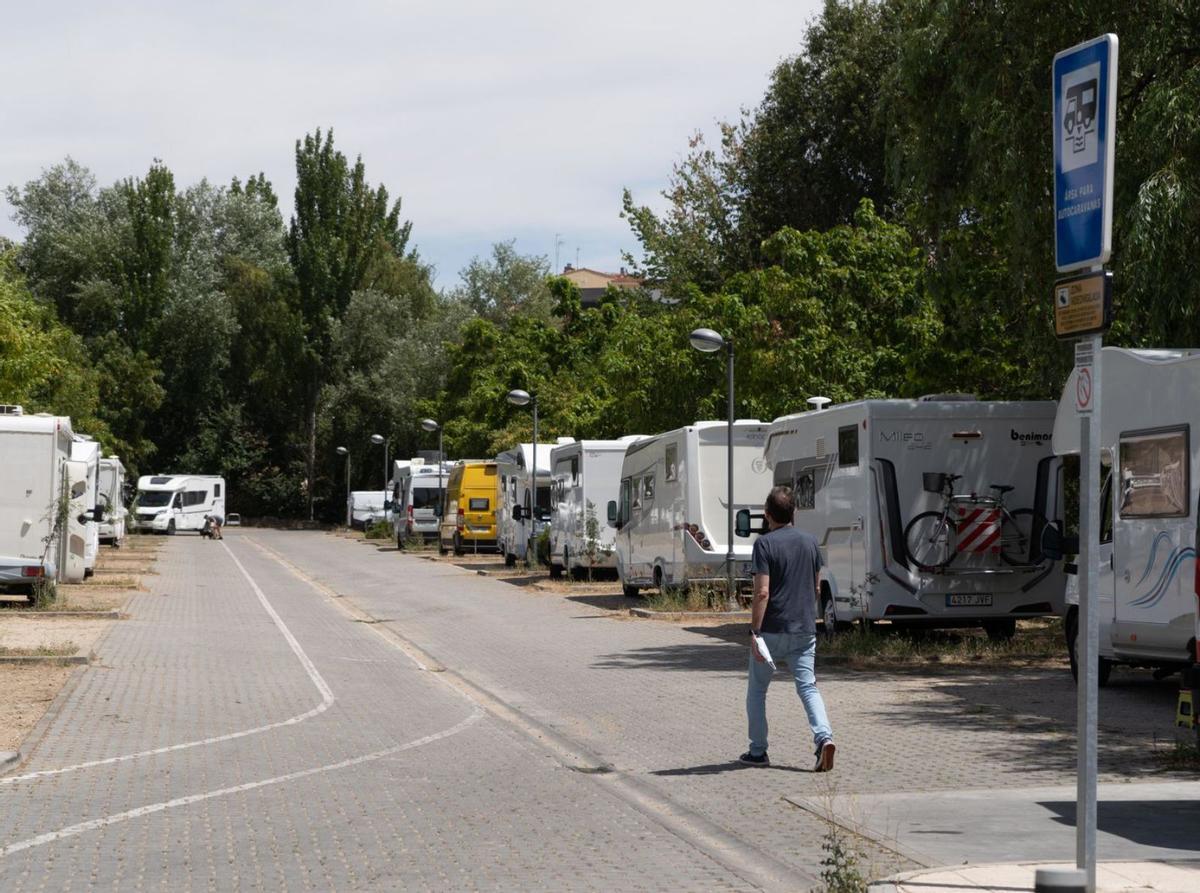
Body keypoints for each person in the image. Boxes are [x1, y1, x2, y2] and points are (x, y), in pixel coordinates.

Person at [741, 484, 835, 771]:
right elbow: (816, 587)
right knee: (808, 687)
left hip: (770, 630)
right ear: (794, 512)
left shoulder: (764, 544)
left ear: (767, 515)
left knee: (757, 691)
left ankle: (758, 751)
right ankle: (824, 738)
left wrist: (755, 632)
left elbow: (762, 593)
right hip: (804, 629)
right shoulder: (810, 542)